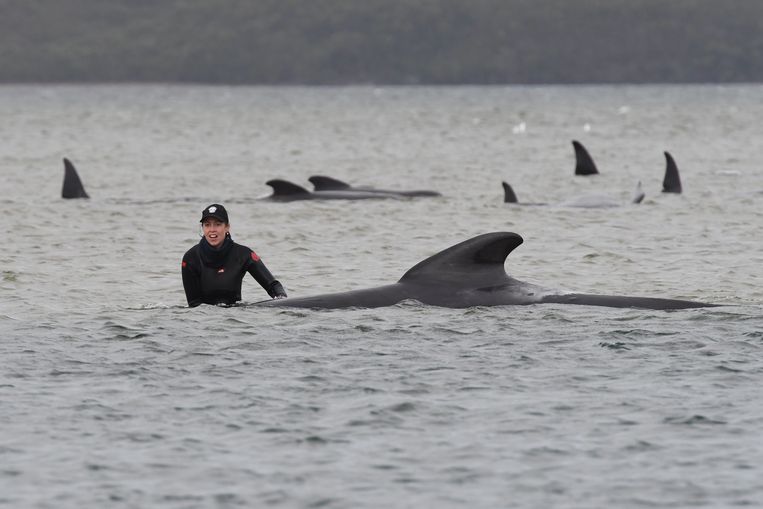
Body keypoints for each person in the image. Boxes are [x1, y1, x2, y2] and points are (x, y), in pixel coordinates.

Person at [182, 204, 287, 307]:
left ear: (227, 227)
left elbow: (273, 286)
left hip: (235, 318)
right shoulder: (191, 258)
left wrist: (282, 301)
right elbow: (194, 305)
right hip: (204, 320)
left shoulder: (243, 254)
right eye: (207, 224)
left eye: (218, 224)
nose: (212, 229)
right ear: (203, 228)